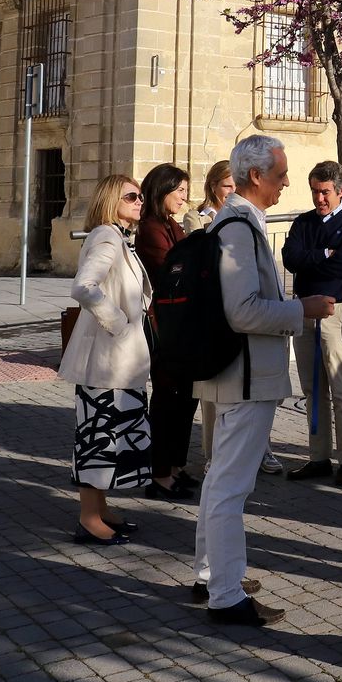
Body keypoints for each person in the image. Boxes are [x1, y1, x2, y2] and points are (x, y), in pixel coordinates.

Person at [191, 135, 336, 626]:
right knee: (231, 486)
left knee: (220, 481)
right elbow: (243, 310)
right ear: (255, 176)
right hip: (246, 375)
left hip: (237, 372)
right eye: (279, 176)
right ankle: (226, 595)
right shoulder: (237, 228)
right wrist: (302, 308)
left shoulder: (237, 223)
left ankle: (212, 573)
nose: (287, 184)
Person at [58, 173, 153, 545]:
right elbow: (84, 286)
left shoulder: (119, 238)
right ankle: (87, 518)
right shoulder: (107, 236)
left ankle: (100, 508)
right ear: (111, 201)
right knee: (98, 437)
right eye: (132, 196)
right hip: (106, 361)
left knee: (109, 435)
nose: (140, 202)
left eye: (141, 196)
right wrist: (120, 326)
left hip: (117, 363)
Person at [280, 160, 342, 486]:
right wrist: (324, 253)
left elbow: (341, 267)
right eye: (315, 191)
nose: (319, 198)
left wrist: (319, 258)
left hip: (335, 313)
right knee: (312, 389)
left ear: (340, 190)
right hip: (304, 313)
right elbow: (290, 259)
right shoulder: (303, 223)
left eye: (325, 192)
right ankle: (318, 457)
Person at [135, 162, 200, 503]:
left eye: (186, 192)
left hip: (182, 326)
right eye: (179, 192)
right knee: (166, 402)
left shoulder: (172, 225)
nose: (184, 198)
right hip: (165, 328)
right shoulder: (150, 229)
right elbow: (171, 269)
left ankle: (174, 466)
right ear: (162, 192)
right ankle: (159, 474)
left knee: (185, 401)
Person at [189, 159, 234, 468]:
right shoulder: (196, 215)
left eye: (235, 186)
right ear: (213, 186)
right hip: (207, 306)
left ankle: (259, 450)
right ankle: (211, 454)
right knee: (210, 390)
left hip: (234, 304)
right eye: (226, 186)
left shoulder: (242, 213)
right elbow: (199, 248)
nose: (231, 192)